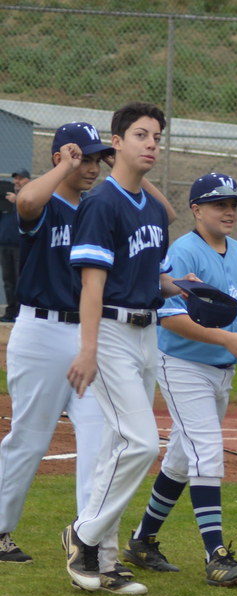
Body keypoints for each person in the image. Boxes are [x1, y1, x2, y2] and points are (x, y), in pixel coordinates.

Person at [121, 172, 237, 587]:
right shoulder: (182, 252)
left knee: (184, 458)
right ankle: (216, 555)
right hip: (182, 365)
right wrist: (225, 337)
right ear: (196, 210)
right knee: (207, 450)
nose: (228, 211)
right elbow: (170, 318)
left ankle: (142, 540)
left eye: (234, 205)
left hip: (222, 370)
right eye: (219, 204)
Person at [62, 101, 187, 596]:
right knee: (140, 441)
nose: (151, 143)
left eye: (156, 136)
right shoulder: (101, 202)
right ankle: (84, 533)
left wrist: (178, 287)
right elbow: (93, 284)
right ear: (116, 143)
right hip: (111, 332)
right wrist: (88, 349)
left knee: (118, 446)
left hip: (146, 331)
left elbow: (147, 275)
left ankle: (104, 562)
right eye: (140, 134)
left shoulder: (153, 208)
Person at [0, 124, 110, 565]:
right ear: (60, 158)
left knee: (100, 438)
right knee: (30, 436)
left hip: (85, 335)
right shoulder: (45, 205)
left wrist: (131, 162)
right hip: (41, 331)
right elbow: (25, 202)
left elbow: (169, 215)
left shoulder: (95, 211)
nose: (92, 167)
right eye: (84, 157)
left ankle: (88, 536)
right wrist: (64, 163)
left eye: (97, 159)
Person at [0, 169, 31, 322]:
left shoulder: (28, 196)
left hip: (21, 246)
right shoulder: (6, 198)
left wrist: (17, 200)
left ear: (28, 180)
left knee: (20, 279)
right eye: (15, 179)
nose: (17, 181)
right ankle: (11, 311)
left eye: (20, 178)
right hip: (5, 244)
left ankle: (21, 312)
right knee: (8, 280)